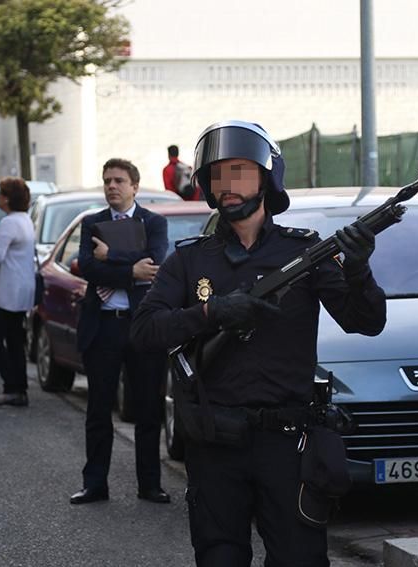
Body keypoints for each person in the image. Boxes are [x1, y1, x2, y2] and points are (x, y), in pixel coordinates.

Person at [131, 121, 387, 566]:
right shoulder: (191, 259)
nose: (226, 185)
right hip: (216, 446)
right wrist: (211, 313)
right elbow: (144, 331)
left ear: (267, 178)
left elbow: (365, 322)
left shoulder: (304, 255)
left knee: (299, 559)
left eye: (239, 172)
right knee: (220, 557)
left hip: (287, 445)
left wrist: (359, 268)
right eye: (217, 175)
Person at [69, 158, 170, 506]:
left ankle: (150, 485)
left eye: (119, 181)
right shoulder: (92, 223)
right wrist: (130, 271)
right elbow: (88, 268)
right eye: (107, 180)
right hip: (104, 329)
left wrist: (112, 254)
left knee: (147, 410)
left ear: (135, 187)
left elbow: (155, 264)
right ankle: (94, 484)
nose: (112, 186)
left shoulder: (154, 222)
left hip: (142, 327)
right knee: (99, 410)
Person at [0, 177, 36, 408]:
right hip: (20, 290)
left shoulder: (9, 223)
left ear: (8, 198)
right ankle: (18, 387)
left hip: (4, 293)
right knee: (15, 340)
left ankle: (11, 385)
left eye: (1, 194)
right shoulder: (25, 220)